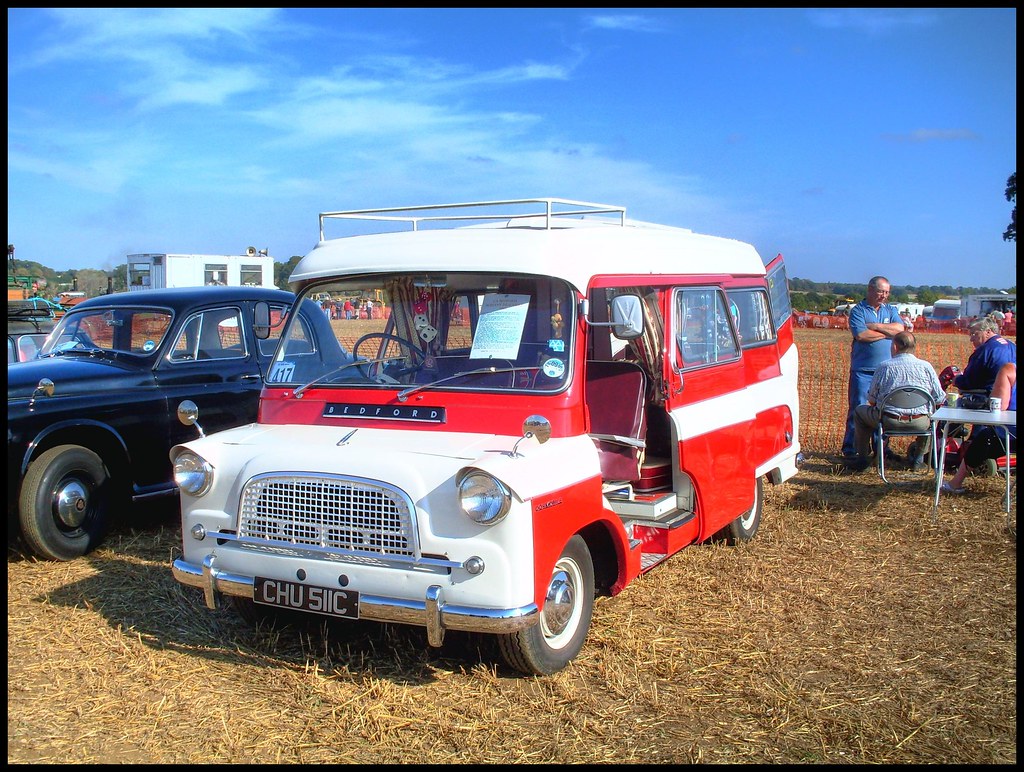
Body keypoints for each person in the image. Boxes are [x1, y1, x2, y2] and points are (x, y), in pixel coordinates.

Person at [848, 331, 944, 472]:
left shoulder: (884, 367)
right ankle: (918, 460)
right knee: (931, 421)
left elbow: (872, 400)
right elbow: (940, 398)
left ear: (894, 347)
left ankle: (862, 459)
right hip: (921, 422)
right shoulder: (926, 367)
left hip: (889, 420)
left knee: (859, 412)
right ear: (914, 347)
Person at [842, 276, 911, 465]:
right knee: (858, 408)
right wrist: (886, 332)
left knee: (883, 410)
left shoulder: (891, 310)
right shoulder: (858, 311)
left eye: (887, 292)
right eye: (881, 291)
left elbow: (900, 329)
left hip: (886, 372)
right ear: (870, 290)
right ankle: (852, 450)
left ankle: (881, 450)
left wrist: (876, 327)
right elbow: (861, 335)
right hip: (862, 370)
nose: (884, 295)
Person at [942, 361, 1016, 493]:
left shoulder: (1009, 370)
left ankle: (956, 483)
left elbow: (1000, 405)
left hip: (1011, 437)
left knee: (985, 437)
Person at [952, 317, 1016, 396]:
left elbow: (970, 381)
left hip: (989, 398)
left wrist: (956, 380)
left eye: (974, 334)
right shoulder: (1012, 346)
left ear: (988, 332)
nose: (971, 339)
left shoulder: (985, 350)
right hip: (1012, 398)